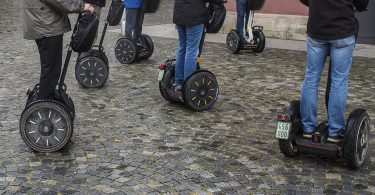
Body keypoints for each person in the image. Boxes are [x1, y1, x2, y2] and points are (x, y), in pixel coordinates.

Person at [299, 0, 358, 143]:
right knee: (339, 80)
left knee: (311, 77)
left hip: (317, 27)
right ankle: (335, 131)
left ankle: (307, 128)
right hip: (342, 29)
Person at [23, 0, 95, 100]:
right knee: (51, 70)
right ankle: (44, 103)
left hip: (45, 22)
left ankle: (47, 99)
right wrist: (81, 6)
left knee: (51, 68)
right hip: (46, 24)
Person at [172, 0, 209, 92]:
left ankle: (178, 82)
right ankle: (188, 84)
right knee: (192, 51)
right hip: (194, 15)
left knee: (182, 48)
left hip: (180, 13)